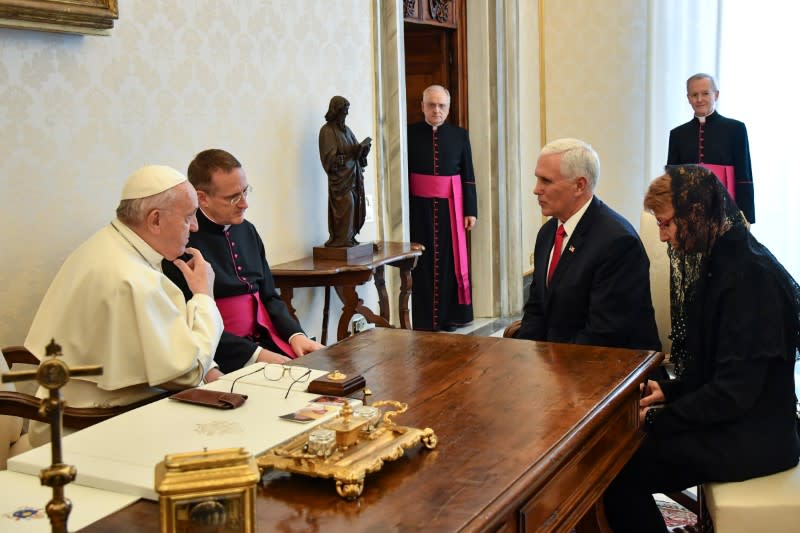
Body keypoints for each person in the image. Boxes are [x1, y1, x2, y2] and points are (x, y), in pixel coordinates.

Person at [603, 165, 800, 533]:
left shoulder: (749, 279)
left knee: (618, 474)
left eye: (665, 224)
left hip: (755, 438)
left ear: (695, 214)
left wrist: (659, 418)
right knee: (622, 459)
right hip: (740, 421)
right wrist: (671, 390)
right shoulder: (725, 257)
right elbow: (720, 368)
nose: (662, 237)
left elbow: (732, 393)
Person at [23, 165, 224, 447]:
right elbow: (185, 373)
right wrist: (203, 295)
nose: (195, 227)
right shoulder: (132, 277)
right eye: (189, 217)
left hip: (77, 413)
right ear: (155, 220)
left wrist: (210, 367)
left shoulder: (107, 245)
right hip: (92, 428)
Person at [163, 149, 324, 374]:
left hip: (268, 337)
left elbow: (269, 296)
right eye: (233, 198)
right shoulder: (183, 242)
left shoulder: (248, 231)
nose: (244, 204)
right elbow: (191, 324)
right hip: (225, 353)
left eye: (245, 192)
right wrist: (256, 355)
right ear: (202, 198)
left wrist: (295, 334)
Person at [514, 138, 661, 351]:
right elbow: (536, 309)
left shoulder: (618, 242)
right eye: (537, 179)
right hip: (559, 365)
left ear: (579, 186)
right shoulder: (548, 233)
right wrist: (521, 356)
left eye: (546, 181)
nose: (536, 190)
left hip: (609, 368)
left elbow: (605, 334)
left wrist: (550, 367)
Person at [407, 84, 477, 332]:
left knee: (449, 262)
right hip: (419, 211)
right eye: (431, 105)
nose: (436, 110)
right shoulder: (408, 134)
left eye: (441, 105)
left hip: (451, 209)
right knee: (422, 263)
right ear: (422, 106)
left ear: (448, 108)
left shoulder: (460, 135)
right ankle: (424, 319)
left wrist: (471, 210)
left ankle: (450, 318)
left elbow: (468, 175)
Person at [667, 73, 755, 223]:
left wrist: (746, 216)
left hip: (727, 210)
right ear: (688, 98)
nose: (699, 99)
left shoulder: (735, 129)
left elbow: (744, 176)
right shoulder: (677, 134)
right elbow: (672, 179)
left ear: (716, 95)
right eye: (694, 95)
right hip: (689, 213)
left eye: (705, 93)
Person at [318, 96, 372, 248]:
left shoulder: (347, 131)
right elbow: (328, 158)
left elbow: (355, 150)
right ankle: (341, 240)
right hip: (340, 182)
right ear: (336, 111)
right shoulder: (327, 131)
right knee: (347, 204)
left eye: (347, 113)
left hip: (353, 177)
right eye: (343, 112)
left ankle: (350, 237)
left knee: (355, 206)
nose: (345, 116)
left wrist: (363, 151)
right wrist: (339, 159)